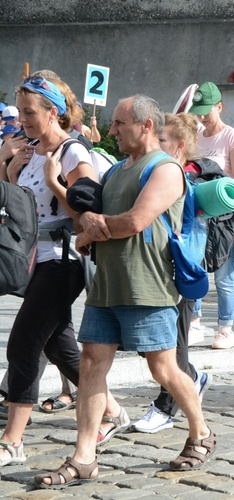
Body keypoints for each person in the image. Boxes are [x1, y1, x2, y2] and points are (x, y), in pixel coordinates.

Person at [34, 95, 215, 489]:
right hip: (107, 284)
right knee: (90, 364)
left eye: (119, 124)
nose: (112, 131)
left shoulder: (165, 169)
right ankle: (84, 458)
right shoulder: (116, 170)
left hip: (147, 285)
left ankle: (200, 432)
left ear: (145, 125)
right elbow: (88, 220)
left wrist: (93, 227)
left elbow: (135, 221)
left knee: (163, 369)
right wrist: (89, 229)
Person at [0, 74, 124, 469]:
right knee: (58, 345)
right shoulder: (27, 148)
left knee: (23, 344)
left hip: (63, 261)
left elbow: (86, 217)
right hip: (31, 259)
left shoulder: (73, 153)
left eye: (30, 112)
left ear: (53, 111)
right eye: (20, 112)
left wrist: (55, 182)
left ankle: (12, 441)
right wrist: (7, 169)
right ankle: (114, 411)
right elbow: (19, 205)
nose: (23, 120)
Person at [131, 113, 213, 433]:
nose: (155, 145)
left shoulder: (182, 177)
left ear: (179, 147)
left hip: (178, 270)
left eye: (161, 141)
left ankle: (167, 407)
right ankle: (192, 378)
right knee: (151, 342)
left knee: (170, 345)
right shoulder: (159, 171)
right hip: (156, 269)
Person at [189, 81, 234, 349]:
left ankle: (226, 327)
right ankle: (194, 322)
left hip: (224, 216)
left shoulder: (232, 137)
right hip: (199, 214)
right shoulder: (197, 136)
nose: (202, 116)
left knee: (223, 277)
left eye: (206, 110)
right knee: (196, 268)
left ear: (220, 107)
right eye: (198, 110)